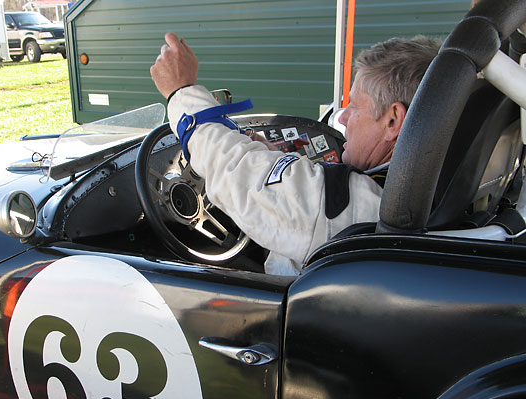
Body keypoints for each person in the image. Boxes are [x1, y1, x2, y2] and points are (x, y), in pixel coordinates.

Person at [150, 33, 440, 275]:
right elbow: (303, 196)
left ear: (393, 121)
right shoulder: (427, 188)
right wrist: (279, 162)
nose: (343, 119)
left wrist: (181, 93)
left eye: (355, 106)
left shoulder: (367, 205)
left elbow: (240, 177)